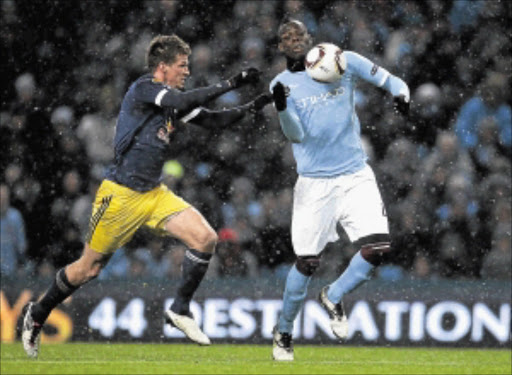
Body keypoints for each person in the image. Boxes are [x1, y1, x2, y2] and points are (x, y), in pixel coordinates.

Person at [21, 34, 272, 358]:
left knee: (205, 238)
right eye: (182, 65)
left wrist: (256, 105)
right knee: (88, 269)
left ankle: (180, 309)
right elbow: (182, 102)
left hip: (153, 193)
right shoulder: (144, 90)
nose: (187, 71)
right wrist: (233, 81)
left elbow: (213, 121)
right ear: (163, 68)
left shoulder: (170, 100)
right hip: (120, 194)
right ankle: (37, 314)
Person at [268, 19, 410, 361]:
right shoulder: (281, 84)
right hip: (315, 182)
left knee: (379, 247)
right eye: (287, 37)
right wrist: (283, 107)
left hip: (355, 173)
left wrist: (400, 92)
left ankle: (333, 295)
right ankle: (284, 331)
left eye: (299, 34)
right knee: (306, 263)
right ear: (280, 46)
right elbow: (295, 135)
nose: (294, 40)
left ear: (308, 38)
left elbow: (385, 77)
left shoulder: (342, 60)